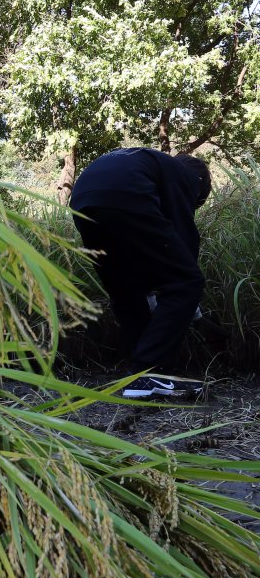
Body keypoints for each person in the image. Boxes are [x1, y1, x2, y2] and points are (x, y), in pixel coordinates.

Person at [70, 147, 212, 398]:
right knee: (187, 282)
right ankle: (151, 373)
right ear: (199, 186)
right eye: (197, 202)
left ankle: (139, 377)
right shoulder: (188, 177)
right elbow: (183, 240)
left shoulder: (152, 163)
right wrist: (191, 306)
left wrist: (153, 287)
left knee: (126, 288)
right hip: (126, 194)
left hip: (83, 200)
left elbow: (148, 250)